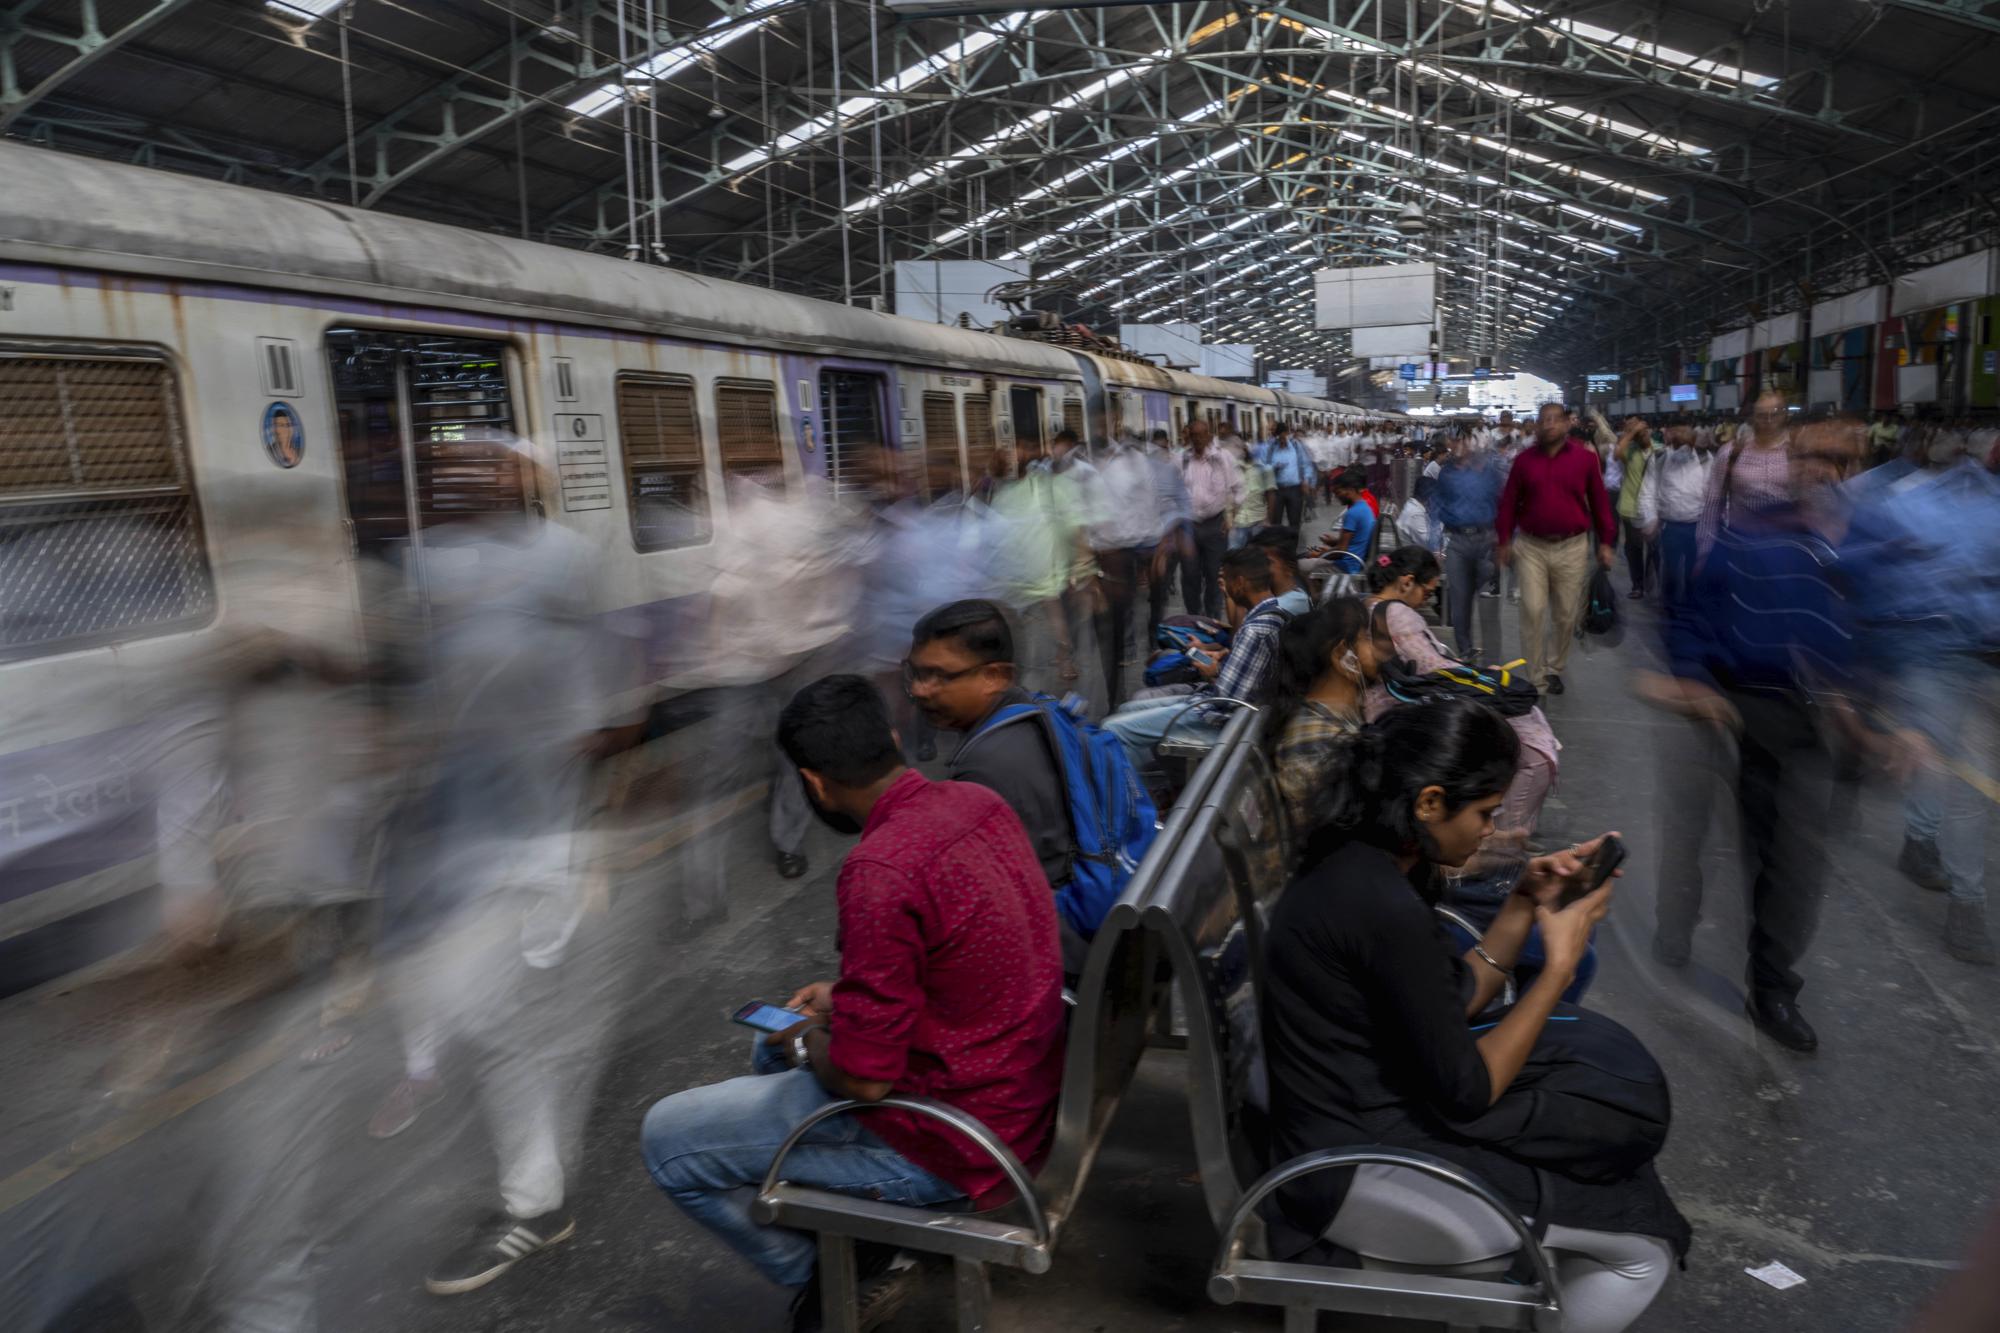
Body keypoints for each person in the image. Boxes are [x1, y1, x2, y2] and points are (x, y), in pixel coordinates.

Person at [641, 675, 1065, 1329]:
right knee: (771, 1040)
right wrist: (844, 998)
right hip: (1017, 1092)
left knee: (667, 1138)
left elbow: (867, 1078)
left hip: (957, 1141)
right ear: (893, 739)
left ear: (814, 783)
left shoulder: (880, 870)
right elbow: (968, 945)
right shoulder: (976, 801)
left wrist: (807, 1041)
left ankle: (826, 1273)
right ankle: (853, 1221)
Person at [1262, 702, 1688, 1333]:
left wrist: (1522, 903)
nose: (1490, 831)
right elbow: (1468, 1091)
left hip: (1341, 1126)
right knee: (1642, 1249)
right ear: (1429, 803)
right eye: (1485, 813)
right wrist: (1559, 969)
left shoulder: (1356, 863)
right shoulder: (1381, 902)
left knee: (1620, 1178)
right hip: (1349, 1171)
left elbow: (1447, 997)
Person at [1639, 421, 1863, 1051]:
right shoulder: (1745, 532)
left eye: (1841, 459)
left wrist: (1866, 708)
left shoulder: (1862, 542)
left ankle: (1771, 990)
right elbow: (1686, 611)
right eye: (1814, 455)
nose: (1826, 469)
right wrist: (1691, 678)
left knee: (1791, 862)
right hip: (1731, 701)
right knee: (1693, 828)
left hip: (1806, 719)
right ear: (1791, 460)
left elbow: (1876, 626)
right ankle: (1676, 920)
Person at [903, 599, 1093, 974]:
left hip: (1053, 955)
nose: (922, 690)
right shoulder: (1035, 710)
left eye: (940, 676)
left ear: (995, 676)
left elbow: (978, 908)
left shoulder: (984, 768)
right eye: (916, 674)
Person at [1360, 546, 1560, 836]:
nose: (1425, 600)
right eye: (1427, 593)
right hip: (1402, 708)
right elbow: (1432, 669)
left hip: (1395, 704)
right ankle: (1502, 838)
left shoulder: (1369, 607)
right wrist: (1477, 674)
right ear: (1406, 582)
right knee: (1532, 745)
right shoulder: (1398, 614)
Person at [1101, 544, 1288, 773]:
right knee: (1127, 710)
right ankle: (1159, 782)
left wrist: (1212, 672)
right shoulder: (1274, 615)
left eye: (1228, 582)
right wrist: (1219, 659)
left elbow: (1225, 698)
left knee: (1112, 728)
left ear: (1240, 582)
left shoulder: (1255, 630)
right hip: (1219, 708)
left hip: (1220, 720)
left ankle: (1137, 801)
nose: (1227, 589)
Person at [1495, 403, 1616, 695]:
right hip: (1531, 546)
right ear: (1536, 426)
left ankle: (1554, 667)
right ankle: (1536, 677)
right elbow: (1509, 502)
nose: (1548, 425)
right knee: (1533, 609)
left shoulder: (1584, 460)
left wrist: (1606, 542)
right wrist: (1503, 540)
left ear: (1565, 424)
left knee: (1565, 614)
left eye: (1554, 420)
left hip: (1573, 547)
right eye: (1543, 420)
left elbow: (1600, 503)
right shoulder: (1524, 461)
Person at [1268, 596, 1377, 839]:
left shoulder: (1338, 718)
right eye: (1366, 639)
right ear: (1342, 656)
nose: (1377, 648)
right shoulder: (1315, 745)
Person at [1433, 432, 1507, 660]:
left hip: (1487, 541)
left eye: (1462, 441)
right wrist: (1435, 544)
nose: (1456, 446)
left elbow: (1506, 504)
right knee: (1459, 602)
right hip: (1457, 542)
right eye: (1454, 441)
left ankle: (1492, 658)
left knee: (1488, 604)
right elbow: (1437, 505)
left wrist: (1503, 539)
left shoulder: (1491, 473)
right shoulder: (1446, 473)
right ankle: (1466, 652)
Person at [1636, 421, 1716, 609]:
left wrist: (1715, 524)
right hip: (1669, 527)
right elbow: (1648, 491)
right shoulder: (1659, 459)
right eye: (1677, 444)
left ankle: (1692, 609)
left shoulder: (1706, 460)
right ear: (1670, 443)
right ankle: (1670, 610)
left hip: (1698, 527)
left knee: (1695, 573)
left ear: (1693, 444)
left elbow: (1715, 494)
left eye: (1685, 445)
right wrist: (1650, 519)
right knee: (1670, 572)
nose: (1681, 449)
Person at [1177, 418, 1241, 619]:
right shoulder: (1180, 459)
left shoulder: (1223, 458)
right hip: (1188, 526)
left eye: (1200, 435)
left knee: (1214, 575)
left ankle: (1212, 618)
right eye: (1193, 435)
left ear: (1209, 436)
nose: (1197, 439)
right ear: (1188, 435)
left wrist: (1231, 517)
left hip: (1215, 525)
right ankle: (1193, 616)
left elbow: (1239, 489)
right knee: (1190, 575)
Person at [1614, 418, 1656, 599]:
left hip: (1653, 508)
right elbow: (1617, 452)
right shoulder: (1630, 451)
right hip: (1630, 507)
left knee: (1654, 549)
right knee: (1634, 549)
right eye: (1641, 433)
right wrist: (1631, 432)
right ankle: (1638, 585)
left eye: (1645, 431)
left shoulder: (1658, 448)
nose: (1644, 435)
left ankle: (1650, 583)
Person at [1247, 525, 1314, 617]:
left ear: (1290, 566)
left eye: (1266, 562)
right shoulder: (1294, 593)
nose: (1256, 566)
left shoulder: (1280, 608)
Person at [1261, 422, 1317, 532]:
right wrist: (1273, 468)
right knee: (1275, 522)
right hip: (1277, 490)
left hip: (1295, 489)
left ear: (1287, 433)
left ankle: (1292, 546)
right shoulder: (1272, 447)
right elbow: (1265, 466)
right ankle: (1278, 546)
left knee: (1294, 521)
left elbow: (1305, 464)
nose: (1280, 440)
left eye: (1282, 437)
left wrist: (1306, 480)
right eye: (1278, 437)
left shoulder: (1296, 446)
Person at [1230, 434, 1275, 550]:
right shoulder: (1232, 470)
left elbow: (1271, 495)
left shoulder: (1263, 468)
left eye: (1241, 447)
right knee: (1235, 559)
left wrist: (1268, 520)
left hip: (1258, 521)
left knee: (1258, 558)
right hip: (1238, 523)